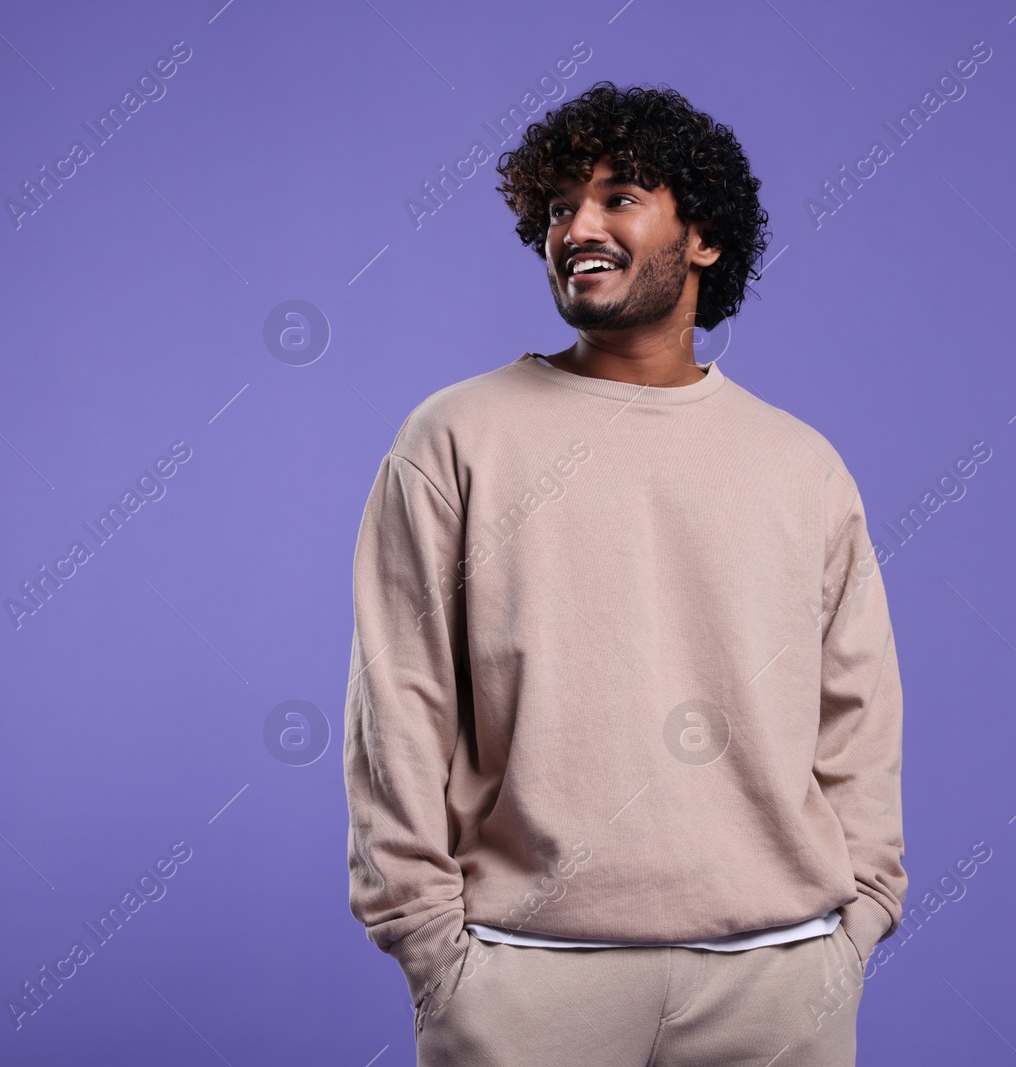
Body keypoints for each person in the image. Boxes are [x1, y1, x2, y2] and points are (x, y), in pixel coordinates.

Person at [343, 81, 906, 1066]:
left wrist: (856, 919)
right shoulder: (454, 437)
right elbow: (399, 699)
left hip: (778, 984)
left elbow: (857, 710)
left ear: (705, 238)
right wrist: (432, 946)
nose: (578, 227)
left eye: (619, 197)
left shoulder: (798, 463)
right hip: (524, 983)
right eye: (560, 206)